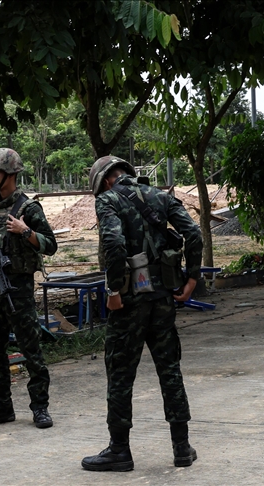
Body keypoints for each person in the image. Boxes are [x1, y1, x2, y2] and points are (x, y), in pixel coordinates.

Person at [81, 156, 202, 471]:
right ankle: (182, 448)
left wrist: (114, 291)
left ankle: (119, 450)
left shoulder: (108, 200)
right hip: (163, 298)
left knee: (120, 373)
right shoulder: (162, 196)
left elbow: (113, 243)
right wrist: (191, 279)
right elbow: (194, 234)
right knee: (169, 370)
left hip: (130, 303)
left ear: (105, 181)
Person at [0, 148, 58, 428]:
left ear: (10, 174)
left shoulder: (28, 209)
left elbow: (50, 245)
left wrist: (25, 231)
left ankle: (40, 408)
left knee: (31, 350)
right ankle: (1, 406)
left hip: (17, 288)